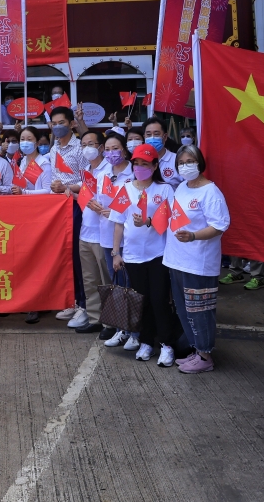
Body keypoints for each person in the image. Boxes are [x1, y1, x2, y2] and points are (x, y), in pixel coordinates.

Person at [109, 144, 178, 365]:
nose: (139, 168)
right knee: (143, 301)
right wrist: (116, 253)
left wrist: (148, 221)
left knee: (159, 299)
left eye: (145, 164)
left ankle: (167, 345)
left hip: (158, 255)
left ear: (155, 165)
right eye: (136, 164)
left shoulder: (165, 189)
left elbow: (169, 222)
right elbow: (118, 224)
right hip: (132, 256)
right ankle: (147, 341)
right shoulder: (126, 189)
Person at [164, 145, 230, 374]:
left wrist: (193, 236)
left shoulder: (210, 191)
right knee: (184, 310)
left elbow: (219, 226)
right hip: (176, 259)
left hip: (198, 263)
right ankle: (196, 350)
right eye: (181, 162)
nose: (185, 166)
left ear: (200, 163)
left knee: (200, 311)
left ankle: (205, 356)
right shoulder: (182, 187)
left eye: (190, 161)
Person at [47, 106, 96, 331]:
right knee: (65, 254)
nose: (58, 127)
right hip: (59, 206)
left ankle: (85, 307)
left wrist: (65, 186)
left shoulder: (80, 148)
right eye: (54, 123)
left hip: (77, 205)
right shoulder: (54, 147)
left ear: (71, 124)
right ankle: (74, 301)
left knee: (79, 257)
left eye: (62, 123)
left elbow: (89, 181)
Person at [68, 129, 112, 333]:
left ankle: (111, 322)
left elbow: (106, 201)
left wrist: (83, 198)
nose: (87, 148)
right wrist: (73, 192)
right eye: (83, 144)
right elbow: (85, 196)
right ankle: (95, 318)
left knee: (106, 279)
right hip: (86, 231)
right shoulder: (87, 169)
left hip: (103, 234)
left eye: (91, 144)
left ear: (101, 148)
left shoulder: (109, 170)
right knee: (90, 278)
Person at [10, 126, 54, 325]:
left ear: (37, 142)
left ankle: (36, 304)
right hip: (21, 216)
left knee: (36, 259)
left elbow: (47, 191)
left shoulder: (44, 163)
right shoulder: (19, 162)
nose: (25, 142)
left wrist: (24, 194)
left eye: (29, 138)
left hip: (39, 216)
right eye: (22, 138)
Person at [98, 132, 135, 343]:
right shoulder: (103, 174)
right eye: (108, 149)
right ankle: (122, 328)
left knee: (130, 285)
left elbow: (134, 203)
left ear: (124, 149)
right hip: (107, 237)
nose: (112, 153)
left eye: (116, 149)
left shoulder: (134, 173)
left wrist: (111, 211)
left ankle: (133, 330)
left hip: (129, 238)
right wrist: (97, 207)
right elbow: (99, 199)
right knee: (117, 285)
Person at [143, 117, 181, 188]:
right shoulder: (140, 160)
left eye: (156, 134)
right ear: (144, 137)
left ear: (165, 137)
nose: (152, 138)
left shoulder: (177, 160)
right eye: (148, 134)